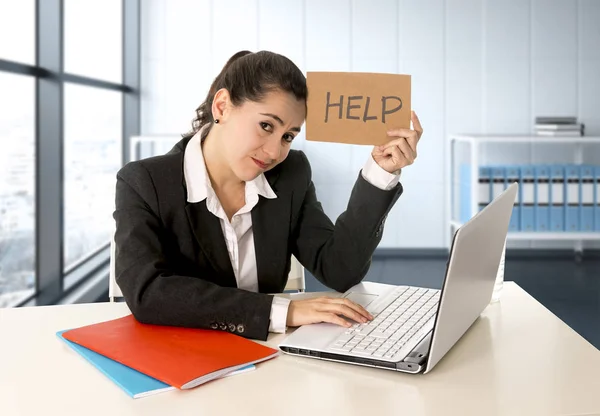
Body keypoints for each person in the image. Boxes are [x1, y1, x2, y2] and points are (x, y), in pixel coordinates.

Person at [114, 50, 423, 341]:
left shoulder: (290, 174)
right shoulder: (144, 182)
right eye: (265, 126)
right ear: (221, 107)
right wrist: (283, 311)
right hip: (179, 357)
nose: (275, 151)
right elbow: (148, 293)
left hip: (267, 359)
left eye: (287, 136)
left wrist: (380, 173)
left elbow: (340, 269)